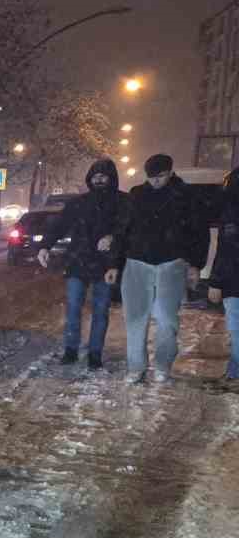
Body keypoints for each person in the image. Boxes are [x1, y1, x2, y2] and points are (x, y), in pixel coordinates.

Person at [116, 153, 209, 383]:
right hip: (137, 262)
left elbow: (199, 231)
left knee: (167, 318)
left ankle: (162, 364)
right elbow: (123, 229)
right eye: (151, 177)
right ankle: (136, 366)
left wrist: (196, 264)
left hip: (171, 263)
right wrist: (114, 262)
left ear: (170, 172)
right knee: (135, 317)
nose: (155, 181)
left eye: (160, 176)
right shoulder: (137, 195)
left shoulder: (185, 196)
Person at [39, 158, 126, 369]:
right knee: (73, 309)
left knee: (100, 310)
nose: (99, 180)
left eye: (103, 176)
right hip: (78, 262)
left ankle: (95, 354)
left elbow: (127, 230)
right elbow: (59, 225)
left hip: (106, 264)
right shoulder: (78, 203)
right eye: (95, 176)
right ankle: (70, 349)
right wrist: (45, 246)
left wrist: (113, 238)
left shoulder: (123, 202)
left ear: (112, 178)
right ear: (90, 178)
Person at [207, 168, 239, 386]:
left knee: (237, 330)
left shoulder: (231, 213)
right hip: (232, 281)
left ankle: (235, 373)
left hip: (233, 282)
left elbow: (226, 251)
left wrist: (216, 282)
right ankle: (234, 371)